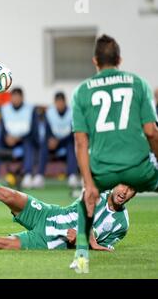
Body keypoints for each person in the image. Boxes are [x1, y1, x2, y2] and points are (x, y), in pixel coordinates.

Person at [71, 34, 158, 272]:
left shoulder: (82, 92)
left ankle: (80, 261)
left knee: (85, 205)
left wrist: (89, 183)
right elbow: (151, 131)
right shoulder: (138, 84)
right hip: (137, 166)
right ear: (119, 59)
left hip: (104, 169)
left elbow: (80, 142)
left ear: (95, 61)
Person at [0, 170, 133, 256]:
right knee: (5, 193)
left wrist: (82, 243)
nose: (124, 191)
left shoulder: (121, 225)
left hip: (47, 241)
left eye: (131, 189)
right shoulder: (98, 191)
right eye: (123, 185)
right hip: (48, 214)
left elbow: (103, 249)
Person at [0, 87, 39, 188]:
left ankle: (28, 175)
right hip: (8, 142)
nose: (16, 99)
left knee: (29, 144)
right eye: (14, 97)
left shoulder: (30, 109)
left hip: (25, 140)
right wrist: (6, 138)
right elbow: (2, 131)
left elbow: (34, 132)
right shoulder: (4, 109)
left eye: (18, 97)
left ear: (22, 98)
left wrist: (19, 138)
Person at [44, 92, 79, 188]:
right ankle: (39, 176)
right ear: (55, 103)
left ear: (65, 102)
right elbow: (47, 131)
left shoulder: (72, 112)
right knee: (43, 146)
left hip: (66, 142)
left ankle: (72, 175)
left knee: (71, 145)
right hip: (53, 143)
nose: (59, 104)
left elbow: (73, 132)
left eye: (61, 102)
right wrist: (50, 140)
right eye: (57, 102)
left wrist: (58, 141)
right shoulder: (49, 113)